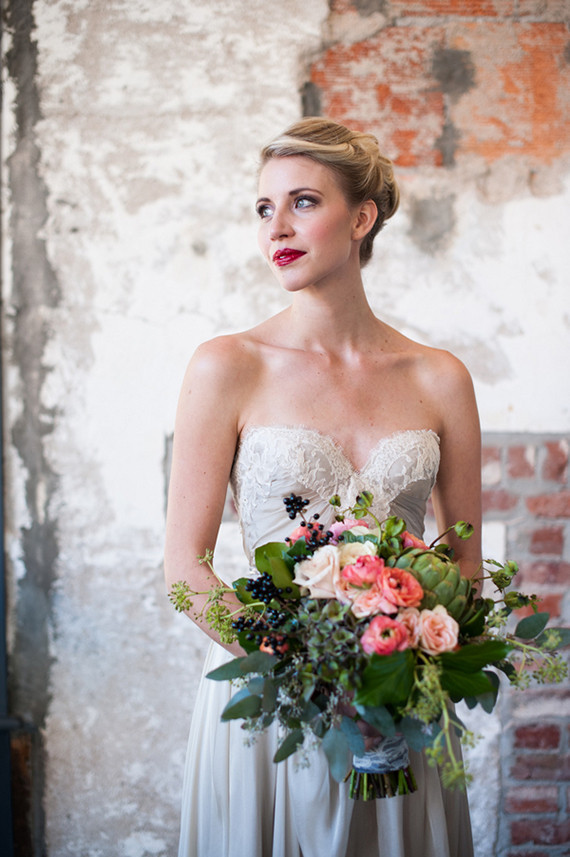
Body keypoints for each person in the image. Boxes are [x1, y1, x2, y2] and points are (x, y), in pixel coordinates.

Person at [164, 117, 480, 857]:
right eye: (264, 207)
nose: (278, 224)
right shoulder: (226, 366)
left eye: (303, 201)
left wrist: (400, 664)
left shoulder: (440, 377)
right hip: (274, 703)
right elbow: (184, 567)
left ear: (361, 217)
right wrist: (306, 673)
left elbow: (462, 560)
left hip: (398, 704)